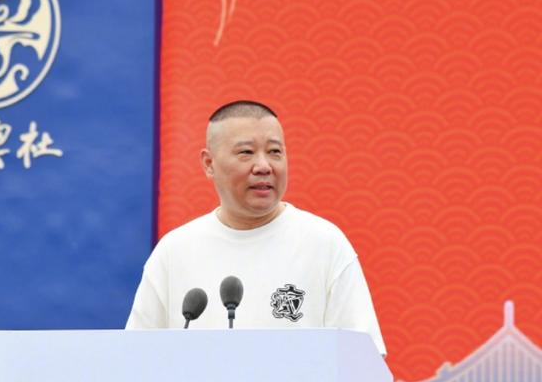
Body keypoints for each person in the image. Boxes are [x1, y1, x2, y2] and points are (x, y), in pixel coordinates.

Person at [126, 100, 386, 355]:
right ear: (209, 163)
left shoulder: (325, 244)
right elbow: (136, 358)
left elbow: (362, 359)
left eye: (275, 152)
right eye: (246, 152)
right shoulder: (174, 252)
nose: (264, 166)